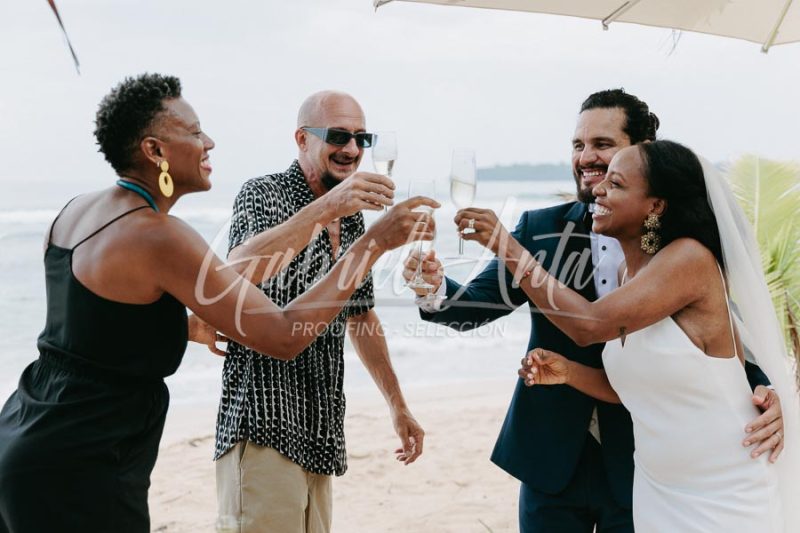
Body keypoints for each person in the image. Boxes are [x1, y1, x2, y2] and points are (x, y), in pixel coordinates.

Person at [0, 74, 437, 533]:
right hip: (84, 459)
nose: (209, 142)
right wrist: (374, 243)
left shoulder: (76, 210)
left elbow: (91, 333)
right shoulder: (160, 236)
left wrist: (184, 326)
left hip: (30, 430)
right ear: (155, 151)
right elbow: (284, 335)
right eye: (194, 132)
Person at [403, 89, 784, 532]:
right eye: (577, 145)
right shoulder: (542, 229)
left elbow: (722, 334)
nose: (586, 159)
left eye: (602, 145)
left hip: (646, 464)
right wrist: (429, 289)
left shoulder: (680, 253)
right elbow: (470, 308)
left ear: (644, 150)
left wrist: (763, 391)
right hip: (553, 460)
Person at [209, 90, 425, 533]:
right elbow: (235, 274)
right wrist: (327, 207)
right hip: (262, 422)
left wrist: (397, 406)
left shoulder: (351, 218)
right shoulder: (263, 193)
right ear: (302, 140)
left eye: (362, 138)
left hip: (321, 429)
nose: (352, 149)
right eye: (338, 135)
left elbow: (361, 316)